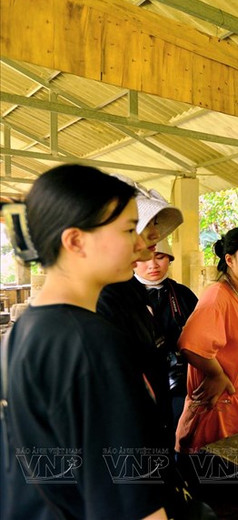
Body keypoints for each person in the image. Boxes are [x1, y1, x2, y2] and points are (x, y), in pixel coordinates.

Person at [0, 164, 168, 519]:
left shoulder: (25, 330)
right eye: (129, 229)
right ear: (75, 241)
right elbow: (134, 505)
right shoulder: (92, 345)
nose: (141, 245)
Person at [97, 179, 183, 442]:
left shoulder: (131, 288)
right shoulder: (98, 300)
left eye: (155, 224)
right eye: (143, 224)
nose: (155, 235)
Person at [175, 226, 238, 454]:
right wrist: (216, 375)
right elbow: (190, 345)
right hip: (219, 422)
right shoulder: (217, 295)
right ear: (230, 260)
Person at [134, 239, 199, 427]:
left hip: (182, 383)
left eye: (160, 257)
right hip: (141, 385)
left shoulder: (183, 294)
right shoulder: (123, 296)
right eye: (144, 258)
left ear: (170, 259)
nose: (153, 265)